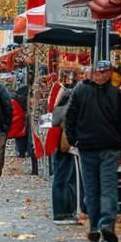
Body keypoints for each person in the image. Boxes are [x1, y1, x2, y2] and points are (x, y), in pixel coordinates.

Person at [65, 60, 121, 242]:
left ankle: (104, 225)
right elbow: (70, 117)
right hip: (90, 147)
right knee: (95, 189)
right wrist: (74, 140)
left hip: (106, 148)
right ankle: (97, 225)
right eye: (99, 72)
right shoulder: (83, 91)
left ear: (109, 73)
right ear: (93, 73)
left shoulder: (116, 95)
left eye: (105, 72)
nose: (101, 75)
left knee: (104, 188)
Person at [46, 80, 79, 223]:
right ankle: (61, 213)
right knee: (63, 178)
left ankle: (67, 211)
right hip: (63, 146)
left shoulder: (60, 107)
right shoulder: (67, 109)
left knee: (66, 177)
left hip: (60, 145)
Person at [10, 85, 39, 176]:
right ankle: (34, 169)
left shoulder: (16, 98)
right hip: (27, 122)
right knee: (31, 144)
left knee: (26, 141)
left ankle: (22, 153)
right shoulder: (22, 100)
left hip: (24, 123)